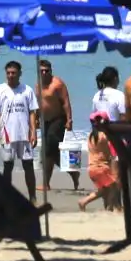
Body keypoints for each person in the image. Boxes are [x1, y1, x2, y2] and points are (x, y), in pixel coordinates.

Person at [0, 60, 40, 203]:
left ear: (20, 74)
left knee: (28, 166)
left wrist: (34, 132)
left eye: (14, 73)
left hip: (24, 135)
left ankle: (32, 198)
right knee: (8, 166)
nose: (11, 75)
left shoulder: (27, 90)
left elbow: (32, 113)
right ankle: (6, 199)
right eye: (8, 73)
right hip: (7, 135)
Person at [79, 67, 127, 213]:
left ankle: (111, 206)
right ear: (115, 79)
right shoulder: (119, 95)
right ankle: (117, 206)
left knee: (107, 174)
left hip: (98, 136)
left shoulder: (97, 95)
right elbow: (123, 118)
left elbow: (94, 117)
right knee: (116, 175)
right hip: (113, 136)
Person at [37, 59, 76, 194]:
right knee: (50, 152)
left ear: (51, 71)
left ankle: (46, 183)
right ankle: (72, 172)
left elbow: (66, 102)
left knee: (49, 149)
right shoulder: (38, 84)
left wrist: (69, 120)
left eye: (46, 70)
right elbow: (39, 103)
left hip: (58, 120)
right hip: (45, 121)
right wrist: (36, 118)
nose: (44, 73)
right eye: (41, 71)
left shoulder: (58, 84)